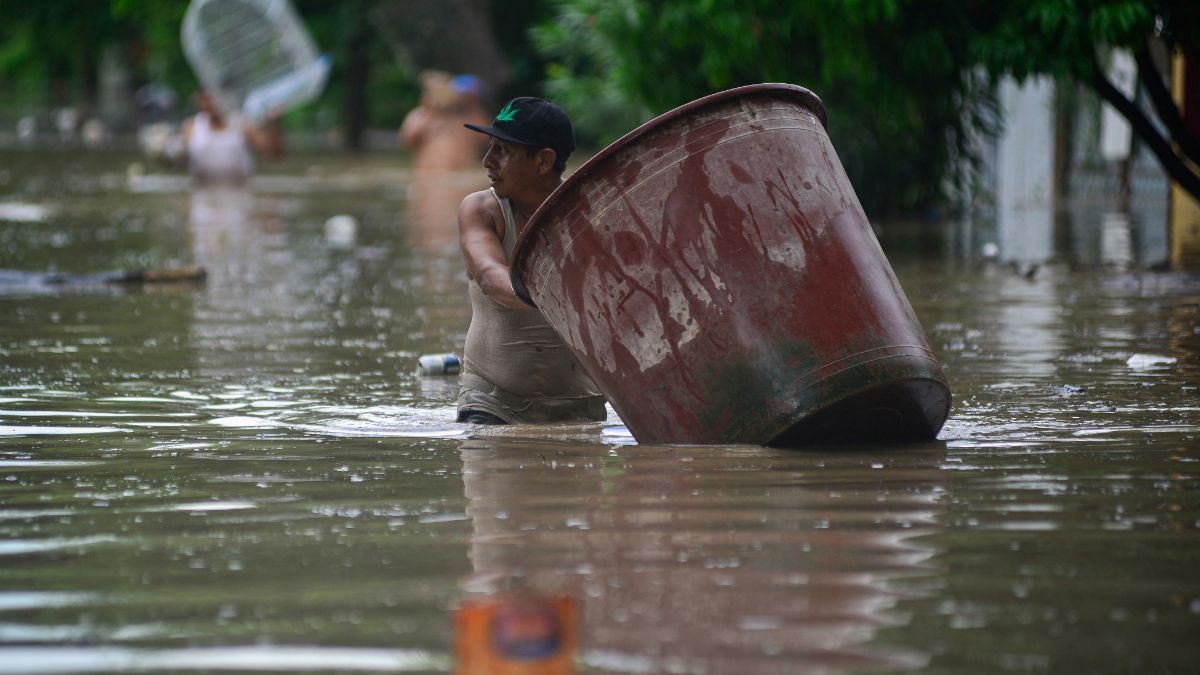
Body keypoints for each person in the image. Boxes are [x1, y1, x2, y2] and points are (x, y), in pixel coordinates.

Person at [455, 97, 606, 425]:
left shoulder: (591, 214)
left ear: (543, 161)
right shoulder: (482, 210)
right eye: (490, 146)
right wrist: (558, 294)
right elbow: (489, 275)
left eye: (503, 151)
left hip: (581, 405)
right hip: (492, 403)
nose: (487, 161)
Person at [182, 90, 282, 185]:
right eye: (204, 99)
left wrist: (272, 123)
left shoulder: (242, 124)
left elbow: (272, 153)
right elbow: (179, 157)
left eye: (211, 99)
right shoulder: (192, 126)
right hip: (203, 192)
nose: (209, 104)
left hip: (239, 191)